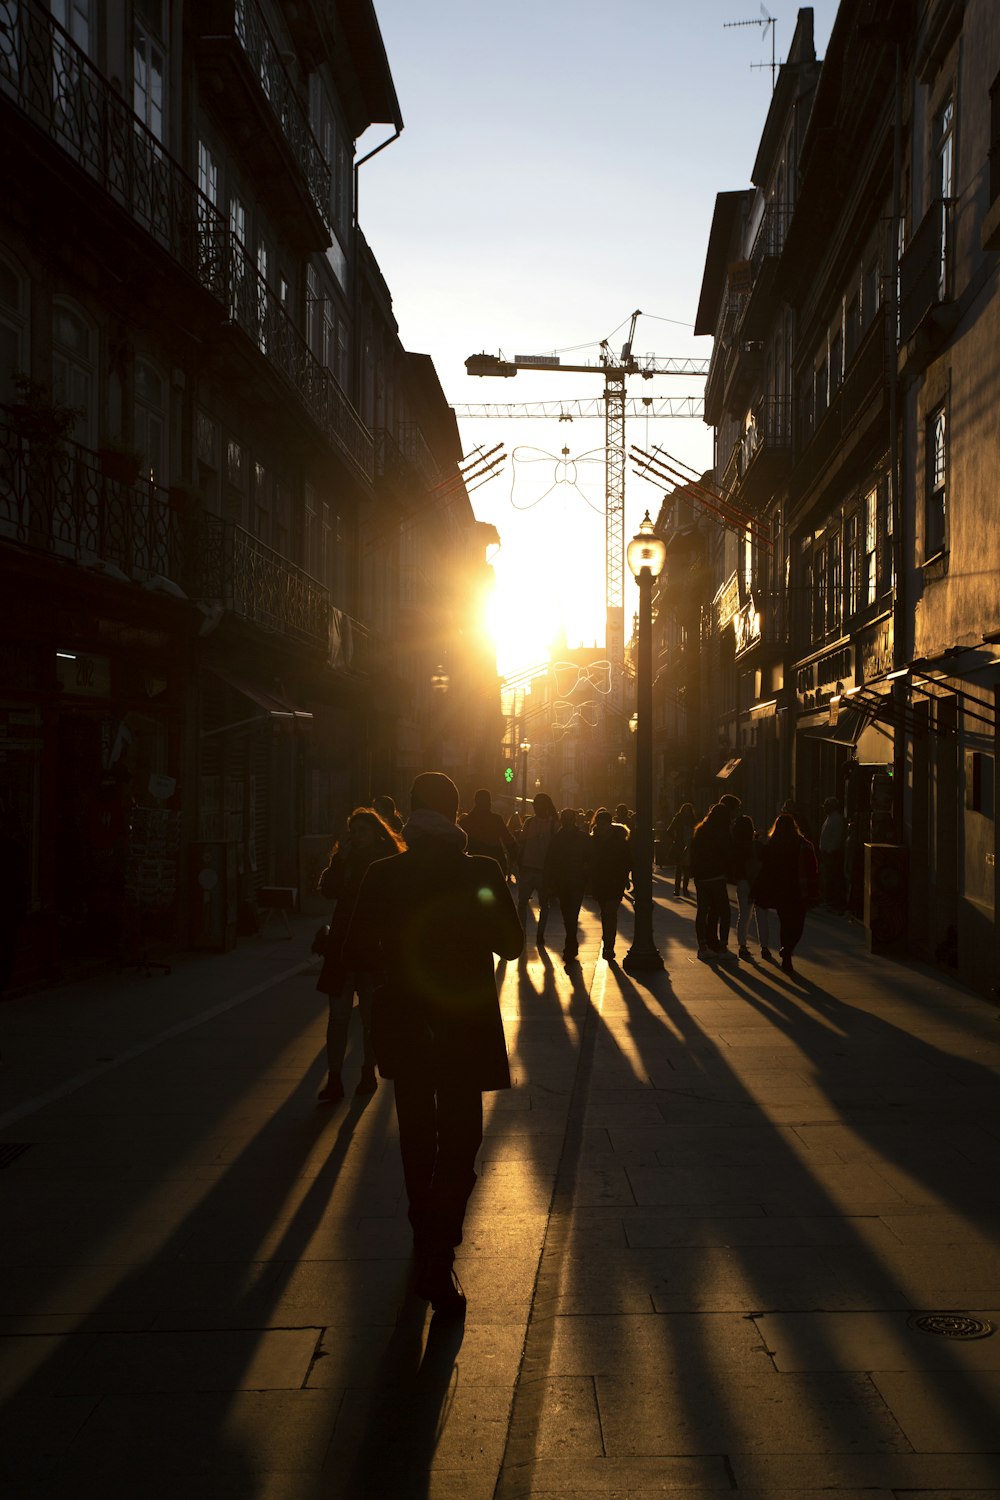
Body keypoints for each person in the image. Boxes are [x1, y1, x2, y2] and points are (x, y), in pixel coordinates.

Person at [346, 772, 523, 1316]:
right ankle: (438, 1243)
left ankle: (427, 1233)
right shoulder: (480, 871)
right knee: (462, 1135)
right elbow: (512, 946)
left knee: (418, 1136)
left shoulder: (383, 874)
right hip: (463, 1024)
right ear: (458, 815)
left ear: (408, 818)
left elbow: (358, 949)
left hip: (405, 1022)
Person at [315, 807, 404, 1103]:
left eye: (363, 831)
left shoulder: (388, 863)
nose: (357, 836)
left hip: (372, 949)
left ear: (377, 833)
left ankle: (368, 1070)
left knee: (370, 1018)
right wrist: (340, 860)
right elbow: (327, 888)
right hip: (342, 948)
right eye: (353, 831)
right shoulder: (346, 861)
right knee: (337, 1018)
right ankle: (335, 1078)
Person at [758, 811, 818, 975]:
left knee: (785, 923)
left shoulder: (771, 845)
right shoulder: (804, 844)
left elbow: (765, 869)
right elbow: (812, 869)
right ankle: (788, 950)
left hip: (780, 891)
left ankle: (786, 951)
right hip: (798, 891)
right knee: (798, 925)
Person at [545, 807, 591, 965]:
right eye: (566, 820)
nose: (568, 823)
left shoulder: (573, 838)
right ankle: (571, 943)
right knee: (568, 915)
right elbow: (551, 860)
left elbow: (589, 858)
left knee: (571, 915)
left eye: (569, 820)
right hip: (565, 881)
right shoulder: (560, 838)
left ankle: (570, 945)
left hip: (574, 881)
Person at [690, 802, 732, 958]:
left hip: (701, 877)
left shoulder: (700, 830)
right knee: (724, 912)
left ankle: (702, 947)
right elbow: (727, 852)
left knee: (702, 911)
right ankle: (722, 947)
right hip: (716, 876)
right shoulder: (721, 831)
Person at [589, 807, 632, 963]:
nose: (601, 826)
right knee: (605, 913)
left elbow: (626, 860)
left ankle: (609, 946)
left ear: (609, 824)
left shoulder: (619, 840)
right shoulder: (593, 840)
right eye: (599, 823)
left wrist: (626, 877)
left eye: (604, 823)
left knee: (610, 912)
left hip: (615, 880)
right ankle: (607, 938)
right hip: (600, 880)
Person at [516, 791, 558, 944]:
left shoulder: (553, 824)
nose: (535, 808)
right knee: (524, 902)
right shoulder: (530, 822)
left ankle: (539, 932)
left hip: (542, 870)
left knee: (541, 904)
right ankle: (525, 931)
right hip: (530, 867)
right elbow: (522, 842)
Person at [732, 812, 772, 960]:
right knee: (762, 916)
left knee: (744, 915)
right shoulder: (757, 845)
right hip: (758, 882)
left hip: (743, 882)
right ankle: (765, 947)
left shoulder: (736, 847)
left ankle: (742, 946)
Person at [460, 789, 518, 876]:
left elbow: (460, 844)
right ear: (488, 802)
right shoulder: (496, 819)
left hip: (474, 864)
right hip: (496, 863)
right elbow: (508, 840)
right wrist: (515, 857)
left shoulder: (466, 821)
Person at [818, 796, 846, 909]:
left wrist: (830, 850)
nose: (824, 808)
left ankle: (833, 901)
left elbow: (837, 837)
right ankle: (829, 899)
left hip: (832, 853)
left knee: (832, 877)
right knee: (828, 876)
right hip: (827, 853)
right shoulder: (830, 818)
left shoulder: (836, 819)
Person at [665, 802, 695, 898]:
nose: (687, 812)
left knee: (685, 869)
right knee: (679, 868)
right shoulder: (679, 819)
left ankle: (683, 889)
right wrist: (675, 839)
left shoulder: (692, 820)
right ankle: (678, 889)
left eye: (688, 810)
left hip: (689, 846)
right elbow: (669, 830)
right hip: (681, 845)